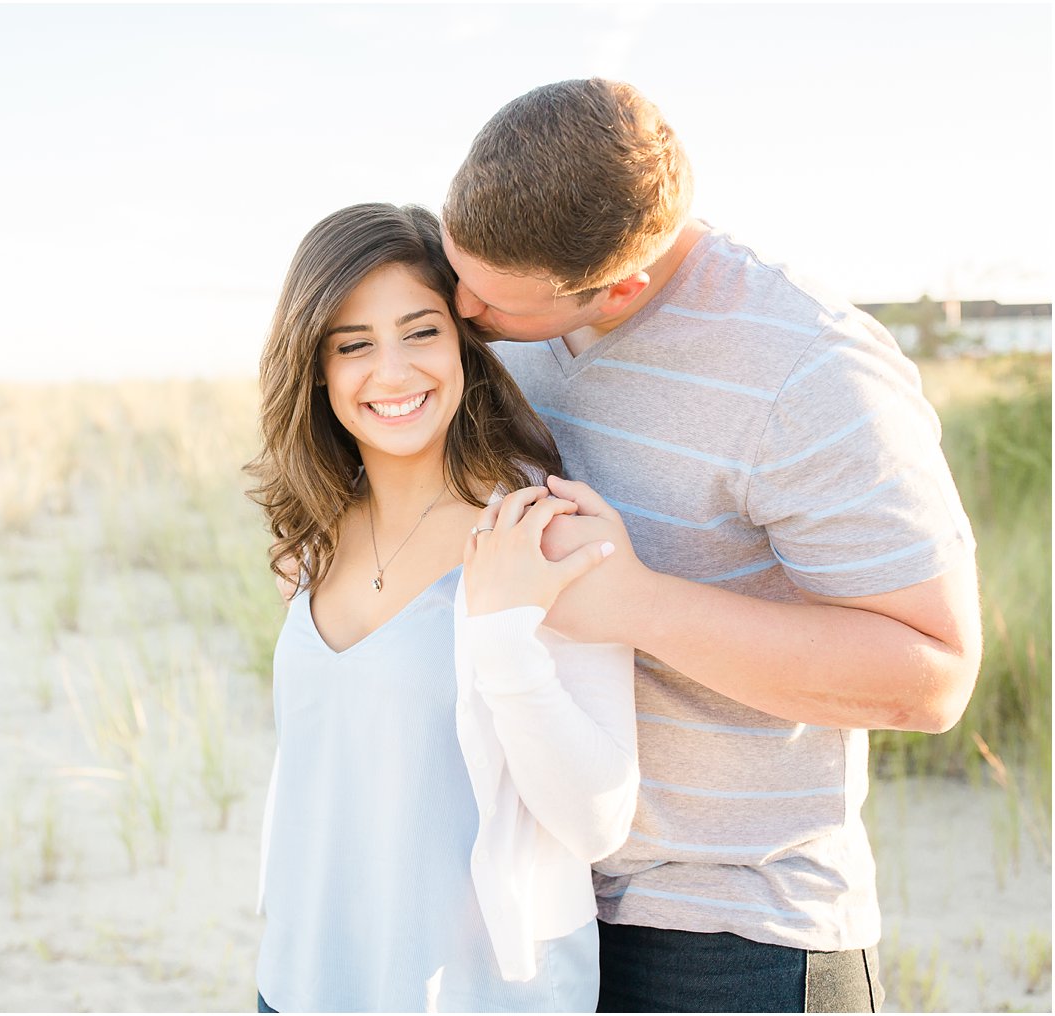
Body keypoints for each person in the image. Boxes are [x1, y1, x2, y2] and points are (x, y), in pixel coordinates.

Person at [439, 78, 983, 1012]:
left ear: (622, 286)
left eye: (491, 300)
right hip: (539, 905)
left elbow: (932, 675)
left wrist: (634, 603)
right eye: (457, 271)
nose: (460, 309)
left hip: (734, 935)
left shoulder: (808, 367)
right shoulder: (510, 318)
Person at [245, 202, 639, 1012]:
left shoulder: (538, 533)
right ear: (316, 369)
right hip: (298, 987)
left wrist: (503, 640)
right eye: (353, 345)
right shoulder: (312, 539)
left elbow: (600, 822)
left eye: (420, 331)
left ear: (463, 342)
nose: (391, 372)